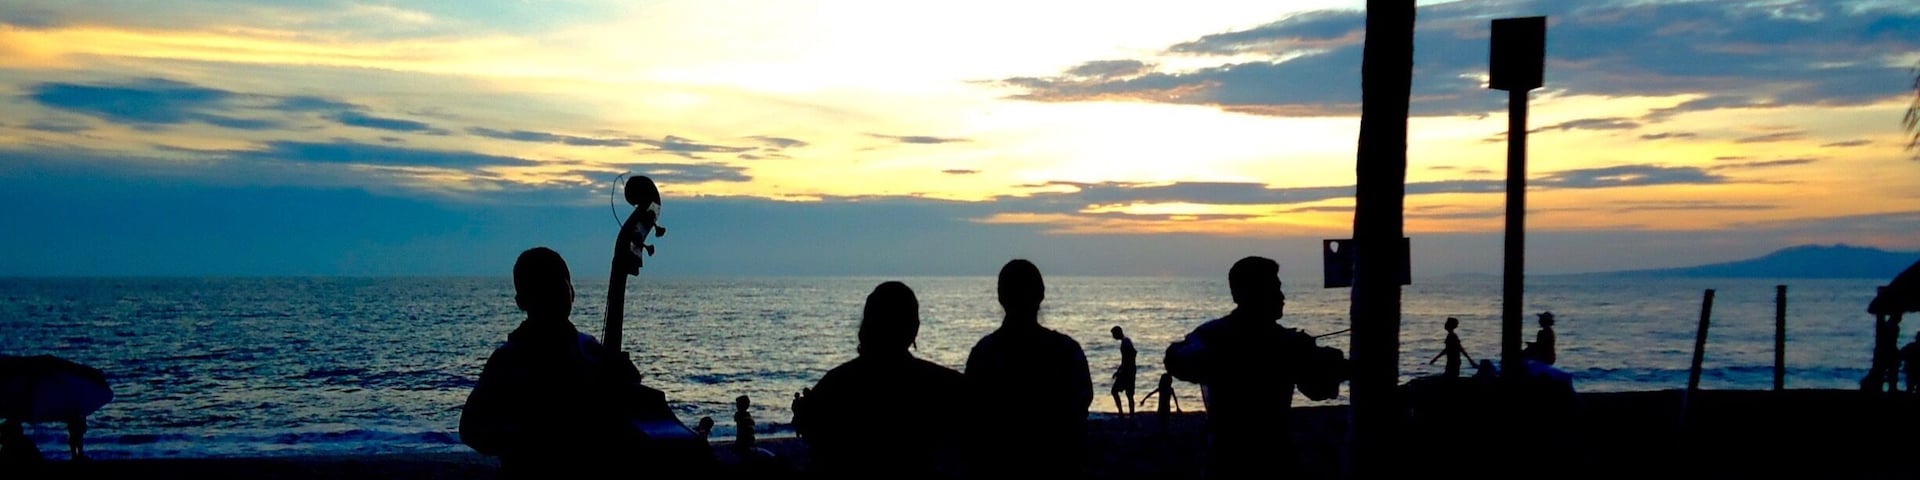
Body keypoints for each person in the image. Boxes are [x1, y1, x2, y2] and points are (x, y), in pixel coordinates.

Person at [459, 247, 708, 478]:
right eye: (540, 290)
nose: (551, 296)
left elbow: (628, 398)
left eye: (557, 286)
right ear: (522, 302)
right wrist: (534, 436)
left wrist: (624, 378)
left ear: (572, 293)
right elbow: (471, 429)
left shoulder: (590, 348)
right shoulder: (508, 360)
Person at [1164, 256, 1345, 480]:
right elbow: (1175, 358)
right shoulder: (1216, 335)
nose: (1282, 297)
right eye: (1274, 289)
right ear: (1249, 294)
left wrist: (1324, 361)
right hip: (1232, 458)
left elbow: (1318, 389)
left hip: (1266, 457)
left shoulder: (1286, 341)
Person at [794, 281, 968, 479]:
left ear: (866, 326)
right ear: (914, 329)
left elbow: (820, 451)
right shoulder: (949, 386)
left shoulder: (834, 385)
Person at [963, 259, 1092, 480]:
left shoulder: (984, 353)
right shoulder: (1066, 351)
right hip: (1056, 467)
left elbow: (972, 419)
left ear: (1000, 297)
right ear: (1041, 295)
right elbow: (1078, 410)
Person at [1111, 326, 1138, 418]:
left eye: (1113, 334)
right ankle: (1130, 414)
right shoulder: (1126, 341)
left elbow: (1128, 358)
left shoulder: (1125, 343)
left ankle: (1122, 413)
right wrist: (1119, 370)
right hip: (1129, 370)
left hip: (1127, 371)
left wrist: (1120, 371)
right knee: (1129, 394)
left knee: (1115, 391)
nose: (1113, 336)